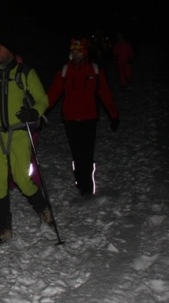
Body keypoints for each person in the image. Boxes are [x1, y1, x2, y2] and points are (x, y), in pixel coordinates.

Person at [0, 43, 52, 245]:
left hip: (19, 133)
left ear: (11, 51)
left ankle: (43, 208)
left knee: (22, 179)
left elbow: (43, 99)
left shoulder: (25, 73)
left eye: (1, 48)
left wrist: (33, 112)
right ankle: (5, 228)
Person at [45, 38, 120, 197]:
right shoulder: (65, 71)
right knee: (77, 153)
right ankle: (80, 179)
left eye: (79, 51)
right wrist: (39, 112)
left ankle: (87, 186)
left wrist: (114, 115)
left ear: (85, 53)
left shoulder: (94, 70)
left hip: (89, 118)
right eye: (73, 51)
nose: (76, 54)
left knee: (87, 153)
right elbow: (52, 95)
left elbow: (105, 93)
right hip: (70, 119)